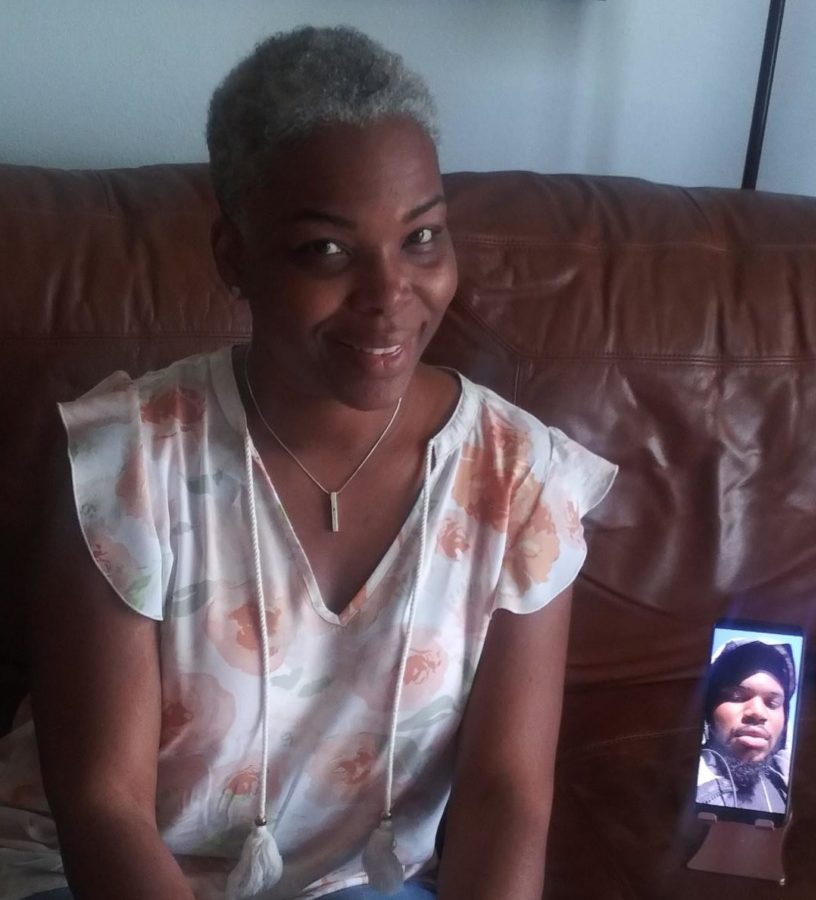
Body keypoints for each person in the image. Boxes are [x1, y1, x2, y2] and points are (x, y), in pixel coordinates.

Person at [0, 26, 617, 900]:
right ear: (234, 257)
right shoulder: (126, 465)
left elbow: (505, 795)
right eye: (326, 249)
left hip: (355, 885)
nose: (390, 295)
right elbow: (103, 808)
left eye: (422, 238)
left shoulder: (519, 481)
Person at [696, 639, 796, 813]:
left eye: (772, 702)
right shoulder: (679, 786)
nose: (757, 712)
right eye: (736, 696)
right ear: (708, 710)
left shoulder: (788, 788)